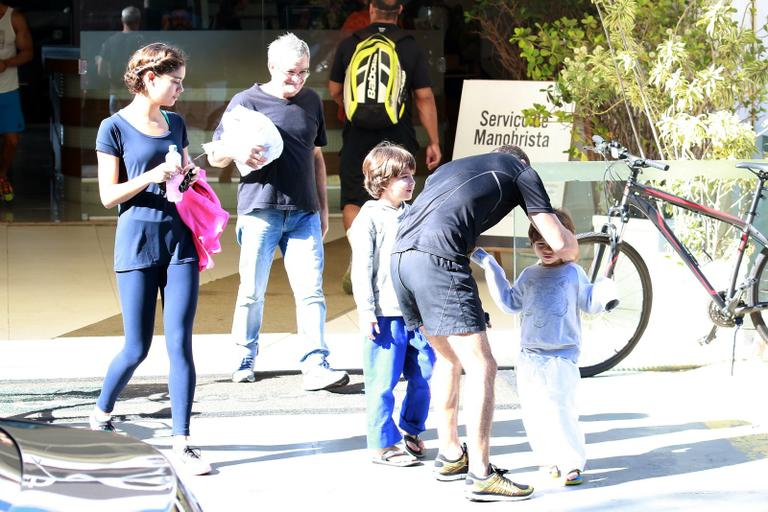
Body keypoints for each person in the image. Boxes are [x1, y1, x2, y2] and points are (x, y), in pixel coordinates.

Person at [391, 145, 579, 502]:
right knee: (483, 366)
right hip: (438, 261)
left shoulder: (448, 170)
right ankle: (481, 473)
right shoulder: (521, 170)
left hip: (401, 261)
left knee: (448, 359)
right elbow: (561, 244)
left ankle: (450, 454)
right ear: (523, 162)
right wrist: (574, 245)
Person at [91, 42, 211, 476]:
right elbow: (108, 197)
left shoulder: (176, 123)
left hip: (179, 241)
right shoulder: (113, 127)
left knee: (180, 344)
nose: (181, 88)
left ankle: (183, 441)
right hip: (137, 242)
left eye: (182, 80)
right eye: (175, 81)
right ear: (149, 79)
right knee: (136, 347)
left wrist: (189, 176)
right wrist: (149, 176)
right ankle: (101, 412)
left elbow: (180, 180)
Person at [206, 33, 349, 391]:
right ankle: (244, 354)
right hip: (260, 210)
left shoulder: (312, 102)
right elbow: (214, 156)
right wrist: (238, 149)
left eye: (302, 73)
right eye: (290, 73)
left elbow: (315, 157)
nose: (297, 80)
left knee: (311, 291)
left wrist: (322, 208)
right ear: (271, 67)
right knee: (252, 290)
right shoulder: (246, 101)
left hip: (304, 213)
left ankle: (316, 362)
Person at [472, 209, 617, 487]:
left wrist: (606, 290)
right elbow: (510, 303)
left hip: (563, 356)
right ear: (532, 245)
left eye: (552, 244)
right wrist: (491, 266)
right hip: (530, 357)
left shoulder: (574, 273)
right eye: (540, 245)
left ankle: (572, 462)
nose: (547, 250)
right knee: (536, 410)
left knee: (562, 408)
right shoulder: (529, 275)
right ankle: (548, 458)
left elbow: (589, 302)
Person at [328, 0, 441, 292]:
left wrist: (355, 109)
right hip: (397, 133)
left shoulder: (351, 43)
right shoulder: (410, 46)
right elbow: (424, 97)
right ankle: (394, 262)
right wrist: (434, 140)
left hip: (357, 134)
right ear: (401, 10)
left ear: (370, 9)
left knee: (354, 197)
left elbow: (335, 89)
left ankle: (359, 260)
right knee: (397, 194)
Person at [348, 142, 435, 467]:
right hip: (386, 314)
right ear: (381, 180)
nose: (410, 182)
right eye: (401, 176)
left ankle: (411, 428)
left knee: (425, 371)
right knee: (381, 380)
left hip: (417, 313)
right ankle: (382, 443)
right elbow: (361, 269)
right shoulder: (368, 217)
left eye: (412, 174)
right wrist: (367, 311)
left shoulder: (414, 214)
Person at [0, 2, 32, 202]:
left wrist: (6, 63)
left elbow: (28, 52)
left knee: (12, 140)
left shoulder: (14, 18)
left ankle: (2, 173)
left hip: (8, 89)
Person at [96, 6, 146, 115]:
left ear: (122, 21)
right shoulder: (143, 42)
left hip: (115, 91)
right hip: (136, 94)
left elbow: (101, 70)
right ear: (138, 21)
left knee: (115, 127)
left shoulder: (110, 41)